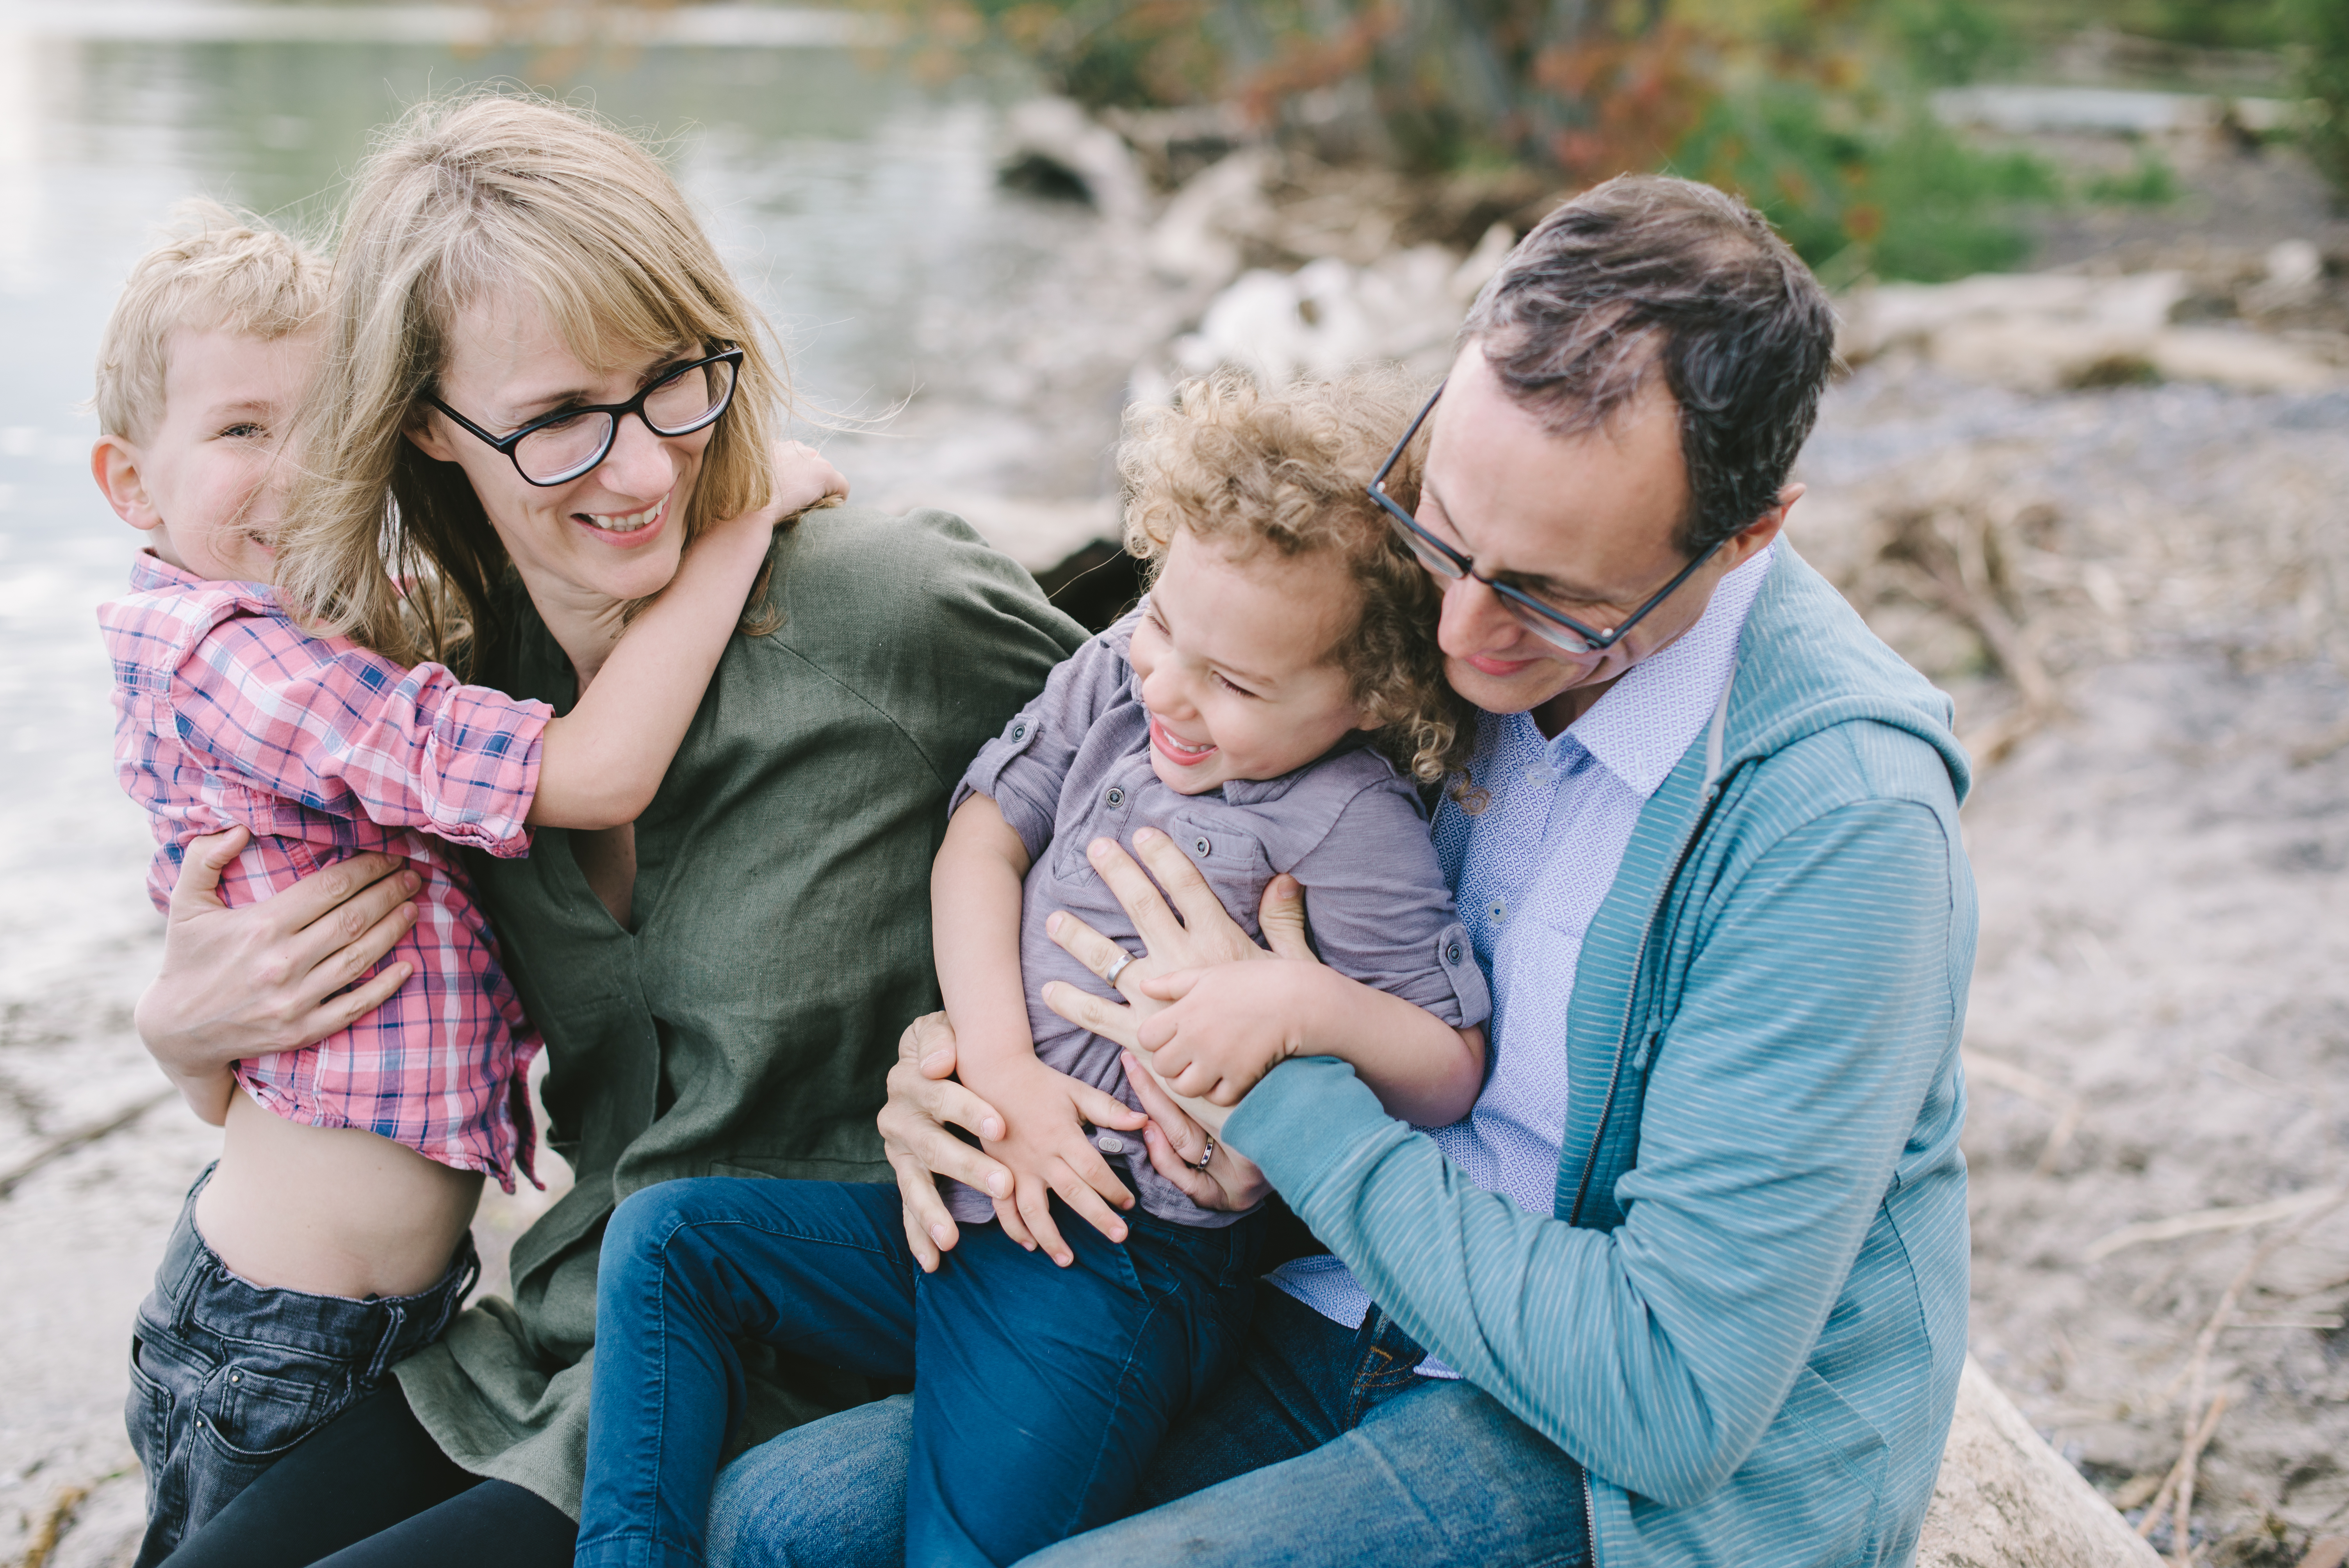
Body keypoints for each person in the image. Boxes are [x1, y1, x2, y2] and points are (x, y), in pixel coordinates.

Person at [728, 173, 1977, 1568]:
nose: (1454, 630)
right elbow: (1094, 739)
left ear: (1751, 536)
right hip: (1320, 1295)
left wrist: (1284, 1096)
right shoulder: (1392, 562)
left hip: (1591, 1451)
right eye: (1440, 531)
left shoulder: (1836, 824)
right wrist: (984, 1067)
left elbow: (1672, 1398)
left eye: (1552, 599)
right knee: (782, 1527)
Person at [121, 92, 1084, 1568]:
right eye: (563, 420)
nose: (643, 470)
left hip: (804, 1360)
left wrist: (1045, 1046)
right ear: (429, 429)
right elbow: (337, 1016)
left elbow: (1198, 752)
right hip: (547, 1347)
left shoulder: (888, 611)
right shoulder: (461, 695)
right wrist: (185, 1037)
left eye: (676, 384)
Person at [572, 370, 1493, 1568]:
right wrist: (1000, 1064)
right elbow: (981, 839)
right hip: (972, 1200)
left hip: (1112, 1261)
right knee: (668, 1241)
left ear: (1370, 692)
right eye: (1166, 622)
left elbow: (1450, 1071)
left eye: (1238, 683)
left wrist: (1305, 1003)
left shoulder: (1344, 821)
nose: (1171, 690)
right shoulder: (1121, 672)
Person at [88, 202, 848, 1565]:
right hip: (274, 1323)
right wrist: (740, 528)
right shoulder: (234, 662)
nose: (294, 466)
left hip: (389, 1308)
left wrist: (181, 1038)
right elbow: (592, 775)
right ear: (132, 488)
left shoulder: (337, 633)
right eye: (239, 431)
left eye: (328, 422)